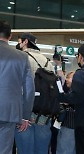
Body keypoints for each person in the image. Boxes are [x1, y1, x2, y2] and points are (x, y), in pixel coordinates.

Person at [15, 32, 54, 154]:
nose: (19, 44)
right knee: (42, 149)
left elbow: (17, 86)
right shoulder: (48, 62)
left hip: (25, 112)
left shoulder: (21, 57)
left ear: (25, 42)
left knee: (25, 149)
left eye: (19, 41)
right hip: (44, 114)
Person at [0, 20, 35, 154]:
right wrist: (25, 115)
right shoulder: (22, 57)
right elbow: (29, 89)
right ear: (10, 36)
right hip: (9, 112)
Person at [56, 71, 76, 154]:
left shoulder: (75, 95)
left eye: (69, 78)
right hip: (64, 125)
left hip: (70, 125)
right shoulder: (69, 92)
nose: (67, 80)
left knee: (66, 149)